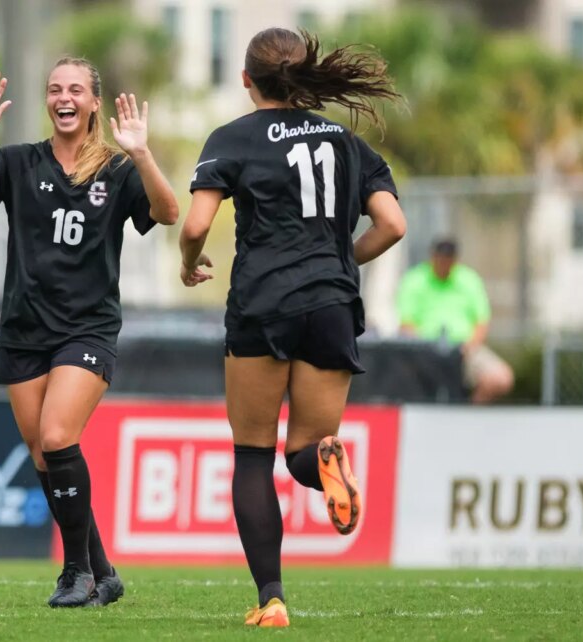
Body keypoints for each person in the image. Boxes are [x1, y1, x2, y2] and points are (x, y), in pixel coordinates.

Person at [179, 28, 406, 628]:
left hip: (261, 304)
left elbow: (198, 223)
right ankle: (330, 457)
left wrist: (186, 260)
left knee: (253, 456)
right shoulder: (346, 141)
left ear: (246, 79)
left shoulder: (232, 138)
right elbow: (393, 225)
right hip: (331, 305)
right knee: (306, 447)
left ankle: (271, 601)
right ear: (304, 77)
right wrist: (337, 263)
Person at [0, 59, 180, 607]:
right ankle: (102, 570)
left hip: (87, 330)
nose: (64, 97)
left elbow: (167, 212)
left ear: (95, 101)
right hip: (24, 329)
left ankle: (75, 573)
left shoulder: (118, 171)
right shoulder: (20, 160)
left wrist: (142, 152)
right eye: (54, 89)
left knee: (56, 437)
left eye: (76, 89)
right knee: (46, 456)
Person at [397, 237, 514, 404]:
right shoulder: (415, 280)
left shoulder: (469, 279)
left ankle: (467, 416)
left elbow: (482, 322)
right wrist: (423, 350)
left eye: (448, 259)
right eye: (440, 258)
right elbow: (406, 325)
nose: (444, 263)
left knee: (500, 378)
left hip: (464, 350)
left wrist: (467, 348)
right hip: (423, 352)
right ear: (432, 257)